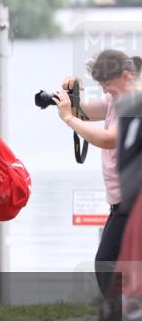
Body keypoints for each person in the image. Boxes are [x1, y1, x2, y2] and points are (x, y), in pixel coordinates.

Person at [53, 50, 142, 293]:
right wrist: (72, 97)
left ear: (125, 76)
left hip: (132, 203)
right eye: (101, 85)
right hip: (120, 203)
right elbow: (85, 112)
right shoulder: (118, 100)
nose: (105, 90)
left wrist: (68, 119)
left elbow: (107, 139)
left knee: (106, 264)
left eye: (107, 84)